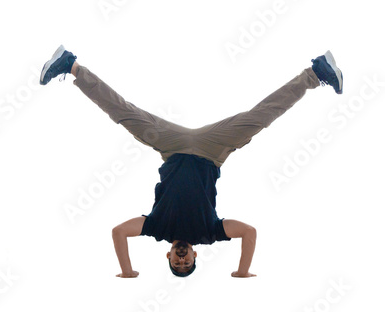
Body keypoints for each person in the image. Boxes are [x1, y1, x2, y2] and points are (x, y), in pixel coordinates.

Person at [39, 45, 343, 278]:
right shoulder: (209, 232)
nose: (182, 260)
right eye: (187, 263)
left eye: (177, 263)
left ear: (169, 256)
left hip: (172, 146)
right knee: (260, 117)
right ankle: (316, 73)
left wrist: (128, 271)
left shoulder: (155, 227)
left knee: (124, 113)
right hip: (213, 150)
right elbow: (249, 233)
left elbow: (118, 233)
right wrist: (241, 271)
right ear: (196, 256)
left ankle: (71, 65)